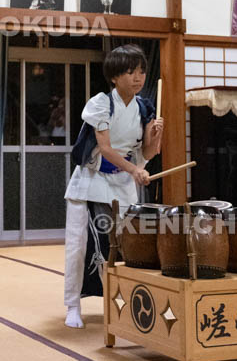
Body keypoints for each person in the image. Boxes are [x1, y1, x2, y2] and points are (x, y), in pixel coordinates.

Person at [63, 45, 164, 328]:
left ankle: (121, 303)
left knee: (125, 247)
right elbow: (105, 149)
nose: (138, 77)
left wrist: (156, 136)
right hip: (91, 180)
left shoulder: (145, 107)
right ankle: (72, 305)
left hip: (122, 183)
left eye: (142, 71)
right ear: (115, 76)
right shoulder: (100, 103)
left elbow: (148, 152)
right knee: (78, 245)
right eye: (131, 71)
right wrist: (135, 170)